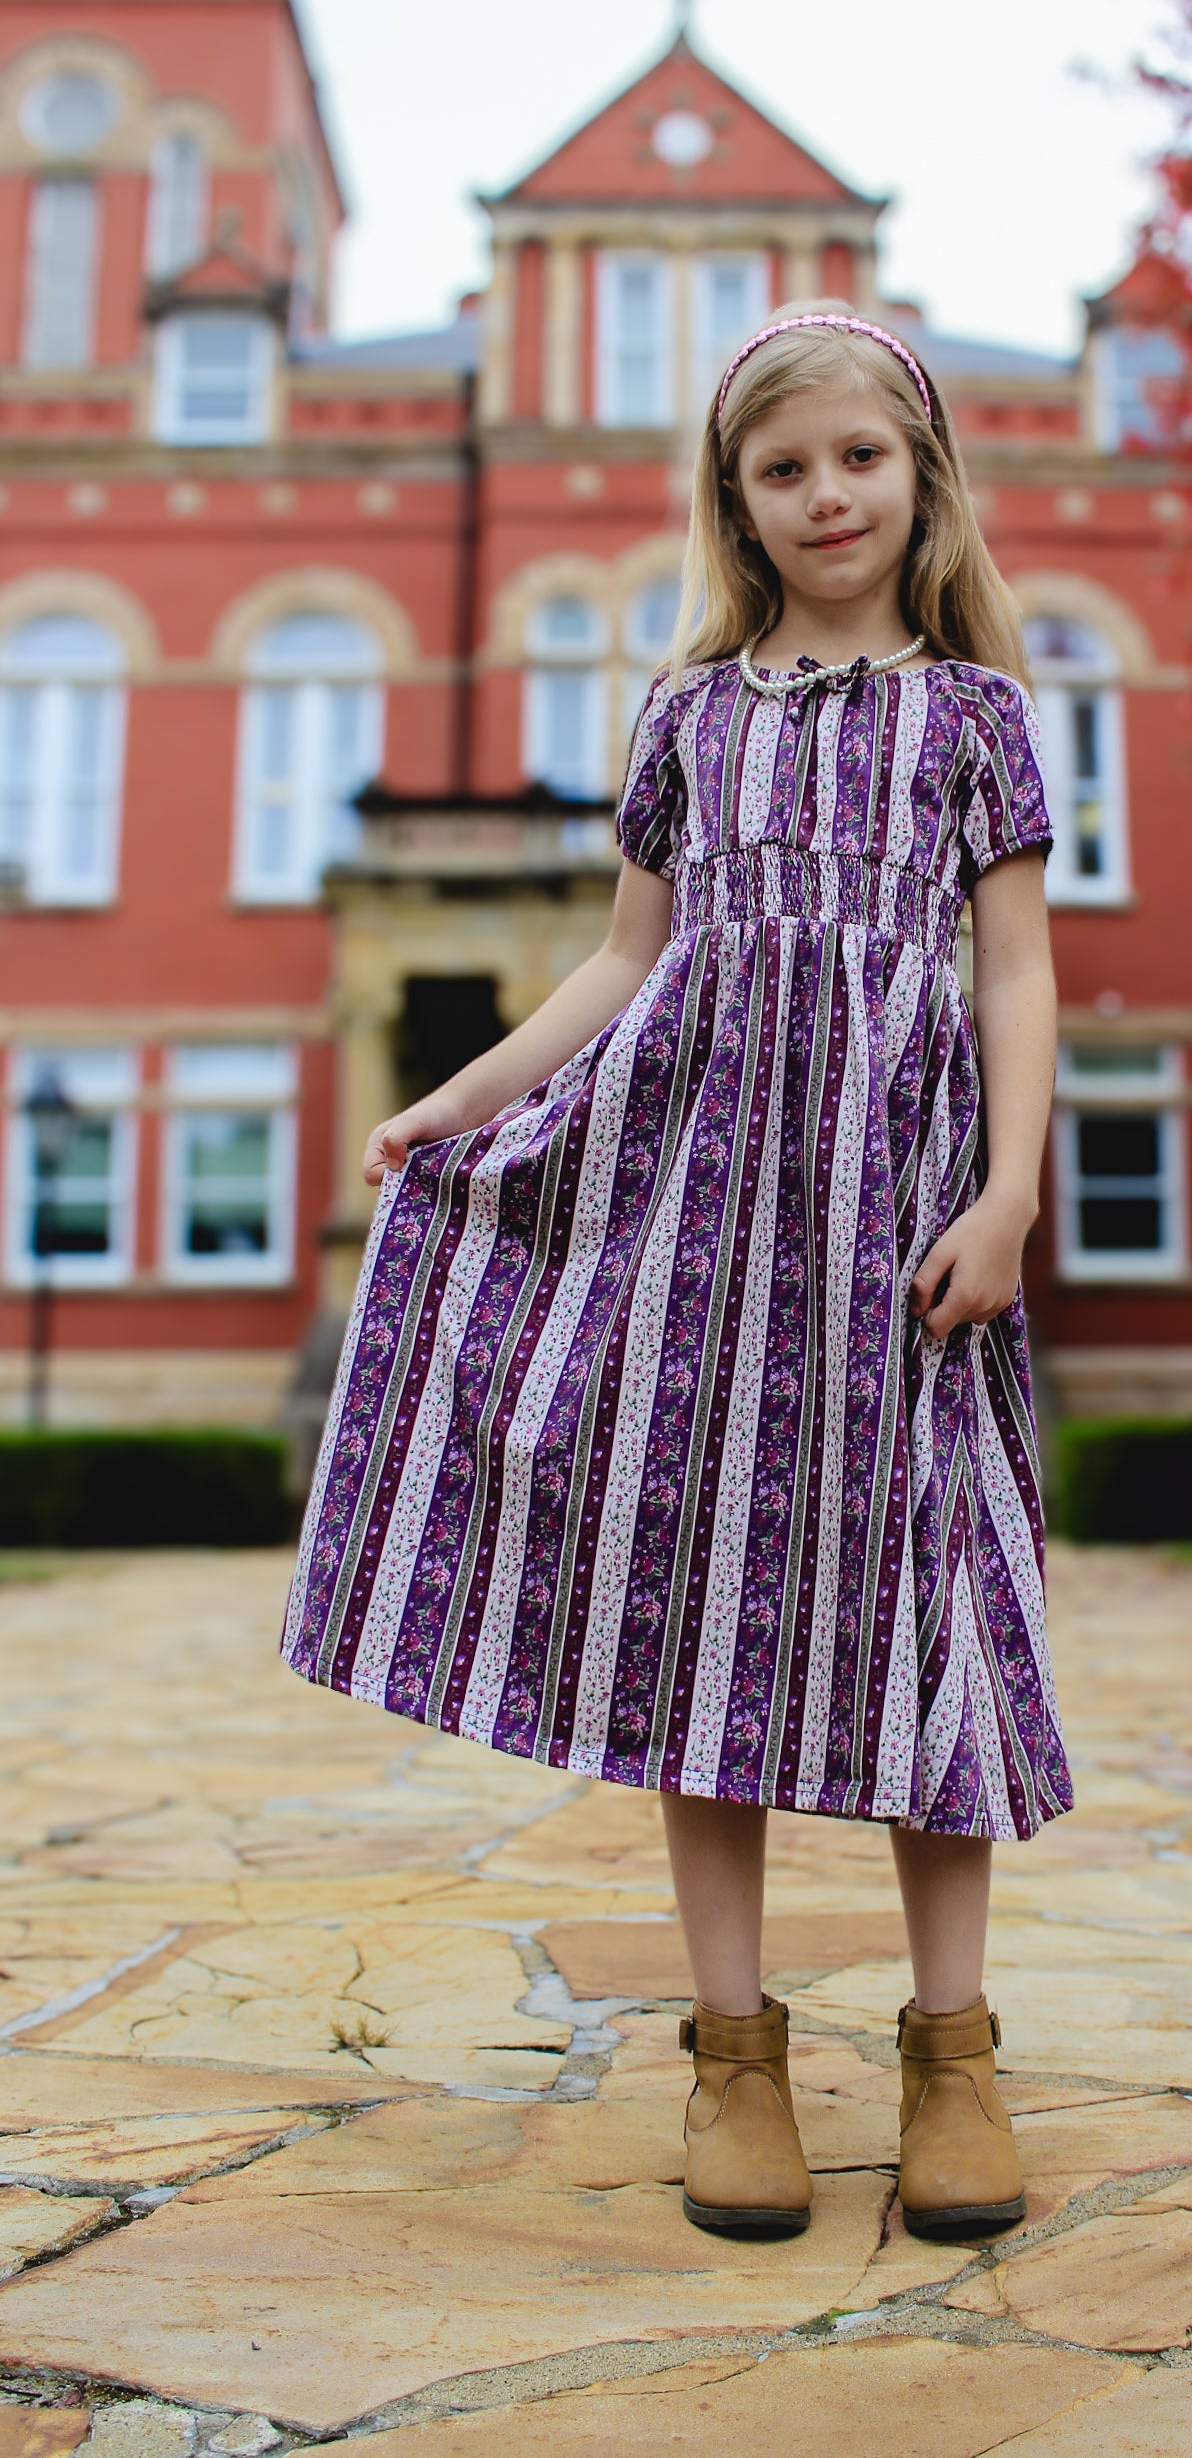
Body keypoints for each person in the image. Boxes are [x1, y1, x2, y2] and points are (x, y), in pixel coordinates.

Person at [282, 300, 1072, 2241]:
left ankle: (952, 2047)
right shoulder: (688, 718)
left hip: (902, 1229)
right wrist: (450, 1106)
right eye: (782, 468)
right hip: (700, 1227)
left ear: (921, 475)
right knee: (699, 1604)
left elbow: (1017, 971)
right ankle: (733, 2052)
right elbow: (625, 962)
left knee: (927, 1604)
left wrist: (1010, 1194)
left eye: (859, 458)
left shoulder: (975, 717)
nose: (826, 495)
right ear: (735, 499)